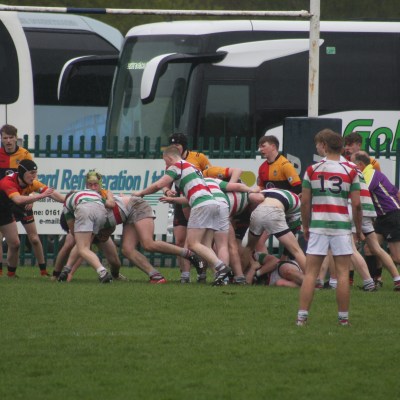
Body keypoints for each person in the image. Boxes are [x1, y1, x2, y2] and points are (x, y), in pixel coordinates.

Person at [133, 145, 232, 286]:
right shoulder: (193, 167)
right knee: (205, 245)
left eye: (165, 161)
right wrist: (173, 199)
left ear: (169, 157)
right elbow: (191, 196)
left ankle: (222, 268)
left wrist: (141, 193)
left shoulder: (177, 166)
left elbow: (158, 185)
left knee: (193, 244)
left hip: (201, 205)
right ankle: (221, 277)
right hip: (213, 203)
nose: (166, 165)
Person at [297, 129, 362, 327]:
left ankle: (302, 318)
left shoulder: (312, 169)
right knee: (342, 274)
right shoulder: (352, 170)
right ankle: (343, 319)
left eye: (318, 144)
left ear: (324, 146)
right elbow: (357, 205)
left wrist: (305, 226)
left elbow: (305, 202)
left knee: (311, 273)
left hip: (318, 225)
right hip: (341, 226)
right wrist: (358, 230)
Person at [54, 170, 127, 282]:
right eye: (90, 184)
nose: (93, 187)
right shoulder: (81, 195)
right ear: (86, 185)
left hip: (100, 229)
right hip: (83, 225)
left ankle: (115, 274)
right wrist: (75, 234)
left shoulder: (106, 193)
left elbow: (112, 209)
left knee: (115, 261)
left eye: (95, 184)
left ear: (100, 184)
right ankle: (58, 274)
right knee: (71, 245)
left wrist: (106, 233)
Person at [0, 159, 65, 277]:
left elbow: (51, 193)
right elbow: (18, 200)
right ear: (22, 172)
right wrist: (40, 196)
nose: (34, 176)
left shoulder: (32, 183)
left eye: (35, 173)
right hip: (4, 207)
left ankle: (11, 274)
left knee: (15, 243)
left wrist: (69, 201)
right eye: (31, 173)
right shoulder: (8, 182)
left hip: (6, 211)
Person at [351, 151, 400, 291]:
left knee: (397, 258)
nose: (350, 167)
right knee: (370, 249)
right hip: (381, 217)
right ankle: (374, 281)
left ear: (360, 164)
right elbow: (395, 191)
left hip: (391, 215)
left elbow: (360, 193)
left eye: (352, 164)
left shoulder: (370, 173)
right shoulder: (369, 173)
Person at [241, 188, 306, 274]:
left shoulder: (274, 190)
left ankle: (240, 276)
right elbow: (292, 232)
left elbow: (255, 199)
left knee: (249, 247)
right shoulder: (298, 204)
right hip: (274, 212)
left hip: (257, 211)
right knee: (296, 251)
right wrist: (284, 257)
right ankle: (311, 278)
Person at [0, 124, 35, 275]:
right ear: (1, 139)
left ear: (16, 138)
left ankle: (11, 273)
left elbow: (32, 178)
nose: (8, 141)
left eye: (10, 137)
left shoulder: (24, 155)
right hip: (1, 201)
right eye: (5, 138)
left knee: (15, 243)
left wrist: (31, 197)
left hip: (16, 200)